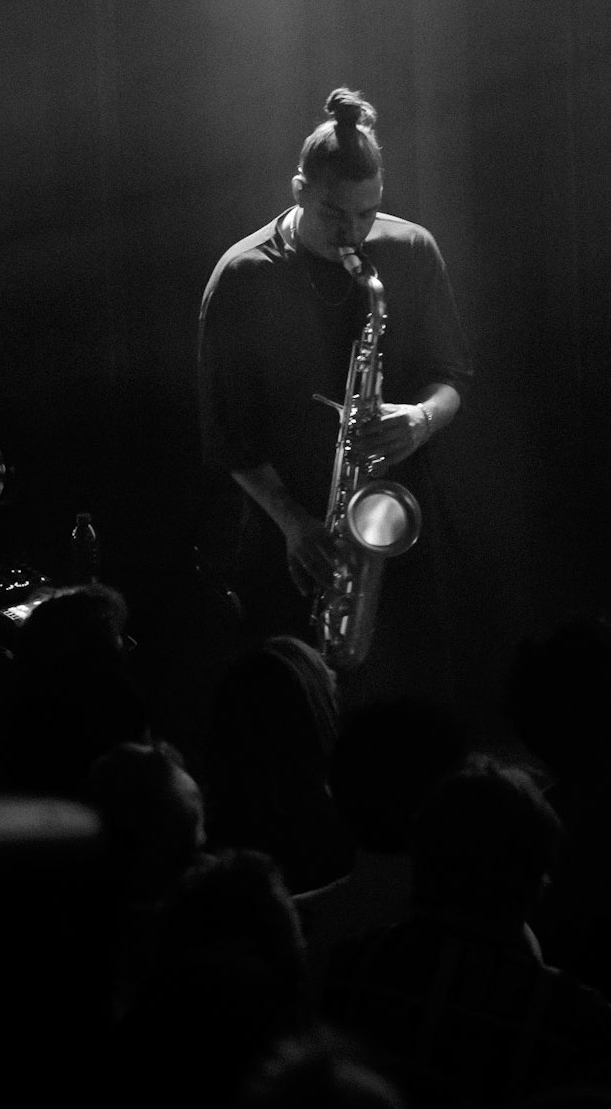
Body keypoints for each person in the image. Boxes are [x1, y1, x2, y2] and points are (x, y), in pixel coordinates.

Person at [198, 88, 472, 671]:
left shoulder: (411, 250)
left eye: (368, 213)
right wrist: (295, 526)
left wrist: (420, 419)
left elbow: (451, 378)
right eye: (335, 215)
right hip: (291, 546)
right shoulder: (243, 278)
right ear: (300, 191)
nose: (354, 233)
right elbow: (229, 437)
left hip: (397, 536)